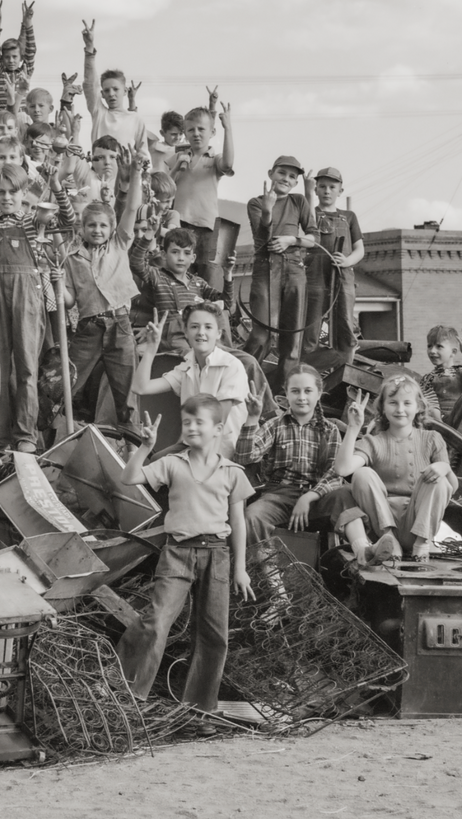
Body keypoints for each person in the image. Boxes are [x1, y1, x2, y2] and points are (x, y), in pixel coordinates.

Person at [118, 398, 255, 721]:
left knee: (213, 633)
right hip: (177, 552)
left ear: (218, 429)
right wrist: (145, 446)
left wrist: (240, 568)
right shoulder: (173, 463)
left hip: (218, 555)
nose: (191, 428)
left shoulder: (233, 473)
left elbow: (238, 523)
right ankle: (127, 693)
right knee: (156, 621)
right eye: (187, 422)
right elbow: (129, 479)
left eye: (199, 423)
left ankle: (199, 709)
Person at [0, 161, 75, 454]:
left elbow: (69, 221)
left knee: (26, 369)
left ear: (24, 192)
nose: (7, 197)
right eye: (1, 192)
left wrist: (55, 183)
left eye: (13, 191)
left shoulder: (33, 222)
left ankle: (25, 435)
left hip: (28, 298)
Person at [334, 379, 457, 564]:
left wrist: (445, 468)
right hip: (382, 523)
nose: (400, 409)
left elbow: (451, 487)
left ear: (419, 407)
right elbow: (343, 469)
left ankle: (421, 545)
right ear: (383, 408)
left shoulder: (432, 439)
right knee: (362, 474)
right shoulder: (374, 442)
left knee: (438, 479)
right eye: (393, 403)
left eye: (407, 403)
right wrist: (353, 428)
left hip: (418, 521)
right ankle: (390, 538)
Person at [66, 148, 146, 427]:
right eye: (90, 225)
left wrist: (135, 172)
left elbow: (133, 207)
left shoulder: (119, 244)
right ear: (81, 228)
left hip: (120, 324)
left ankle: (133, 447)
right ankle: (53, 441)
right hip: (88, 328)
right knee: (66, 386)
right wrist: (50, 284)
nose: (97, 230)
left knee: (127, 396)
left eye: (102, 225)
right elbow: (68, 300)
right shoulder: (72, 257)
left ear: (112, 228)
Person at [235, 364, 342, 543]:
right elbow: (244, 457)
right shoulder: (275, 425)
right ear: (286, 393)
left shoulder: (330, 430)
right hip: (278, 496)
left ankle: (359, 551)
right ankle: (266, 566)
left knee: (346, 496)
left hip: (317, 497)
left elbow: (335, 474)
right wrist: (252, 418)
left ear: (319, 392)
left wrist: (308, 498)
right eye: (295, 391)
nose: (301, 397)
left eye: (308, 391)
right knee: (252, 517)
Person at [133, 304, 250, 458]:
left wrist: (187, 461)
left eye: (208, 327)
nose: (201, 332)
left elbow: (217, 422)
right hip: (192, 445)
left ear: (218, 334)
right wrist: (151, 348)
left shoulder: (231, 366)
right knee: (156, 461)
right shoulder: (187, 366)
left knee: (168, 470)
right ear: (186, 333)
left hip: (223, 451)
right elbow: (141, 388)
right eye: (194, 327)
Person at [244, 155, 317, 389]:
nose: (286, 179)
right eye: (281, 173)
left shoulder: (299, 202)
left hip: (294, 270)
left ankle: (284, 394)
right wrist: (267, 212)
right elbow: (262, 238)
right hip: (266, 268)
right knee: (260, 336)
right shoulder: (256, 202)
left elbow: (313, 238)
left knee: (292, 339)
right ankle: (239, 382)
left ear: (296, 182)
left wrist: (291, 239)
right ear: (270, 174)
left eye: (292, 176)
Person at [131, 227, 235, 355]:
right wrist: (148, 235)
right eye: (175, 252)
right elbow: (136, 263)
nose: (181, 258)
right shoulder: (157, 276)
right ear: (164, 255)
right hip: (173, 335)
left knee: (246, 360)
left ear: (193, 258)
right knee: (194, 357)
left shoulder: (199, 283)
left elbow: (226, 303)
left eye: (186, 253)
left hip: (198, 332)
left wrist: (228, 274)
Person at [171, 91, 236, 290]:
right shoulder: (177, 158)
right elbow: (164, 187)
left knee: (210, 279)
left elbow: (228, 163)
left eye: (201, 129)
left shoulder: (214, 159)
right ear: (185, 133)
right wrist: (177, 167)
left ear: (212, 132)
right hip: (181, 225)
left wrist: (228, 128)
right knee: (182, 280)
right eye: (191, 130)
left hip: (208, 227)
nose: (196, 133)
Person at [303, 166, 364, 363]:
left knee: (345, 326)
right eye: (322, 186)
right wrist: (306, 189)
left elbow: (360, 250)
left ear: (340, 191)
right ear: (316, 189)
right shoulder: (311, 213)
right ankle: (306, 373)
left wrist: (347, 261)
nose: (327, 191)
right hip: (315, 278)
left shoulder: (349, 217)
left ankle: (345, 371)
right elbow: (306, 229)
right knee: (310, 327)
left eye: (331, 187)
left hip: (343, 278)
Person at [81, 20, 158, 159]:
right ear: (102, 94)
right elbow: (90, 84)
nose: (111, 94)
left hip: (126, 177)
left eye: (116, 89)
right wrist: (89, 48)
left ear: (125, 91)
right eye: (107, 90)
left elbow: (143, 153)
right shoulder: (99, 114)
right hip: (100, 176)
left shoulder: (136, 119)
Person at [420, 325, 462, 434]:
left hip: (460, 423)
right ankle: (448, 441)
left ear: (453, 352)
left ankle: (458, 442)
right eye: (429, 346)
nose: (432, 351)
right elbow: (431, 402)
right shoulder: (428, 378)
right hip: (439, 424)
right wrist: (440, 425)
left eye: (439, 346)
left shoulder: (461, 372)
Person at [0, 1, 37, 112]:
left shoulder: (25, 72)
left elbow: (31, 50)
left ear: (21, 57)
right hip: (4, 115)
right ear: (2, 59)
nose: (11, 60)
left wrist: (28, 21)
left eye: (14, 57)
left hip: (22, 117)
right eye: (7, 57)